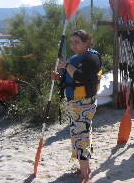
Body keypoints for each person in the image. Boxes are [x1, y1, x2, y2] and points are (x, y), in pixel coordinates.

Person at [51, 30, 102, 183]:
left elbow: (81, 77)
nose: (73, 45)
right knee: (77, 136)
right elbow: (70, 80)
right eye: (72, 42)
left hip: (84, 104)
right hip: (73, 103)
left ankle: (85, 175)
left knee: (81, 137)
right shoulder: (74, 58)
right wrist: (59, 78)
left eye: (77, 42)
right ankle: (84, 168)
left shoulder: (92, 58)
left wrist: (66, 66)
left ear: (87, 42)